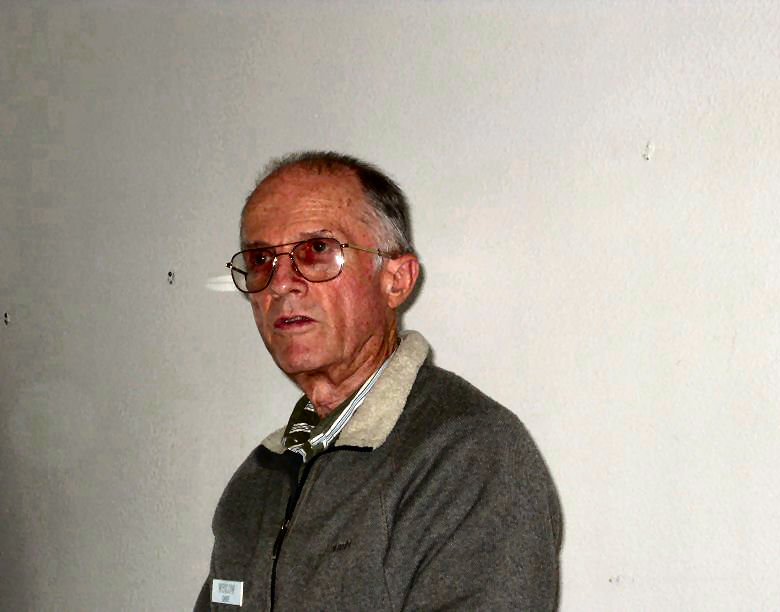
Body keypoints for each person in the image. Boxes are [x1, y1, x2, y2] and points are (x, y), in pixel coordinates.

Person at [196, 151, 562, 611]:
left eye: (317, 250)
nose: (281, 283)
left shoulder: (469, 454)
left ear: (397, 280)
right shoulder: (258, 479)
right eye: (261, 258)